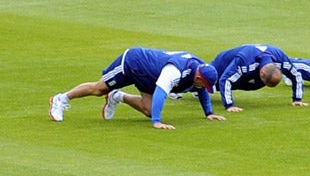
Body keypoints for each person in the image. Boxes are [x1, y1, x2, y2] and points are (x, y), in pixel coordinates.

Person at [49, 48, 219, 128]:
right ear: (198, 77)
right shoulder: (176, 70)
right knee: (98, 89)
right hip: (133, 63)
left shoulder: (199, 71)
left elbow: (201, 89)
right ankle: (61, 99)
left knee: (149, 110)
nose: (204, 88)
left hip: (150, 76)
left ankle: (117, 97)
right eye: (204, 84)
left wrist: (209, 113)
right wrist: (157, 122)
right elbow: (161, 91)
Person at [209, 43, 304, 111]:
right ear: (262, 73)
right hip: (222, 63)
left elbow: (296, 75)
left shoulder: (282, 61)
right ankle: (200, 89)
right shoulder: (245, 62)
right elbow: (225, 79)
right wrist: (229, 105)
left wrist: (297, 99)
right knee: (210, 83)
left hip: (250, 70)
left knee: (250, 84)